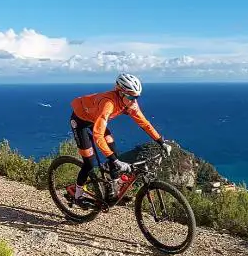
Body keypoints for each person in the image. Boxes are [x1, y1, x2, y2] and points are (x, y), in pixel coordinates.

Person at [69, 73, 171, 203]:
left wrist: (161, 142)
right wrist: (114, 161)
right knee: (89, 163)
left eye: (136, 97)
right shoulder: (108, 104)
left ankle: (113, 192)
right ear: (120, 92)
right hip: (80, 121)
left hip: (95, 119)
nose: (134, 101)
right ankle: (77, 195)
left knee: (113, 151)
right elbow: (98, 135)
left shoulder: (130, 104)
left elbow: (145, 123)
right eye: (130, 97)